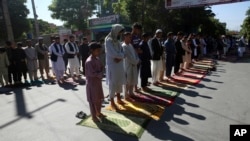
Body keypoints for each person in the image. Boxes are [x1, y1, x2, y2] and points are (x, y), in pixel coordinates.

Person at [105, 24, 125, 110]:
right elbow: (112, 53)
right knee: (112, 83)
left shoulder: (117, 40)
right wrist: (120, 56)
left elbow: (123, 52)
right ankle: (112, 101)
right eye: (120, 32)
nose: (120, 34)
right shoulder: (108, 40)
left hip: (119, 64)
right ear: (116, 31)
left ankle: (119, 98)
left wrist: (120, 57)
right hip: (112, 65)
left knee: (119, 81)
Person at [85, 42, 106, 122]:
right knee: (93, 100)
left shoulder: (97, 59)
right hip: (92, 83)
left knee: (99, 99)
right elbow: (91, 73)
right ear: (92, 50)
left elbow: (101, 67)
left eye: (99, 50)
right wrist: (100, 73)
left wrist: (101, 71)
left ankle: (98, 113)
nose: (99, 52)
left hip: (98, 82)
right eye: (97, 50)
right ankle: (93, 116)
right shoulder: (89, 61)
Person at [122, 32, 140, 101]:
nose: (130, 38)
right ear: (125, 37)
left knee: (133, 80)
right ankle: (126, 95)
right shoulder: (124, 46)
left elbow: (135, 54)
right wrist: (136, 61)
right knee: (127, 81)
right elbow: (129, 57)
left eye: (130, 37)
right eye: (129, 37)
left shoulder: (130, 45)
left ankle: (131, 93)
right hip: (128, 65)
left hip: (134, 64)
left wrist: (137, 60)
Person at [131, 22, 142, 92]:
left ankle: (135, 86)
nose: (139, 31)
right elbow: (130, 46)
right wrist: (137, 51)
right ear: (134, 28)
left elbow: (138, 45)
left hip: (138, 56)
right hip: (132, 57)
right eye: (138, 30)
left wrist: (139, 50)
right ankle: (132, 88)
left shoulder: (137, 36)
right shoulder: (130, 36)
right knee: (132, 73)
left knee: (136, 72)